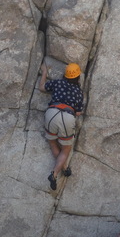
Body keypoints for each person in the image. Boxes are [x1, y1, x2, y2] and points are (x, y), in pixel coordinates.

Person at [39, 61, 84, 190]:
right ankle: (54, 173)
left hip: (51, 113)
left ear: (65, 74)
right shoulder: (78, 92)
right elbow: (78, 112)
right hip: (67, 116)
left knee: (53, 143)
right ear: (78, 77)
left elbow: (42, 87)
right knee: (66, 149)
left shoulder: (57, 83)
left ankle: (65, 168)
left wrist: (44, 72)